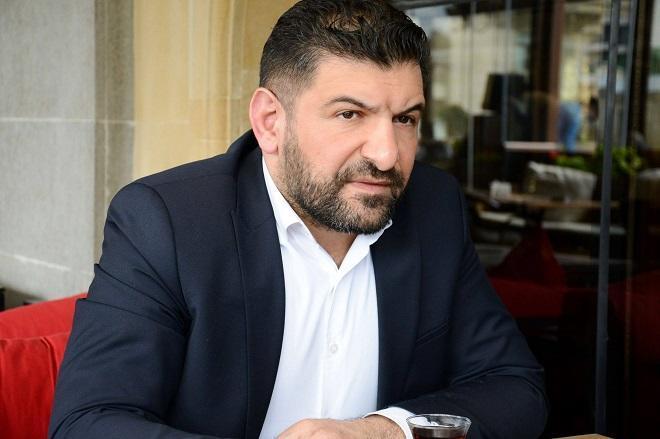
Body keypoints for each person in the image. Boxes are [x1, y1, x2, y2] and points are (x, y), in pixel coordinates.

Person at [49, 1, 547, 438]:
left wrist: (383, 432)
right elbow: (88, 422)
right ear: (271, 122)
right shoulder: (168, 222)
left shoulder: (433, 207)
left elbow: (514, 386)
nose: (387, 154)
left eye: (405, 119)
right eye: (350, 114)